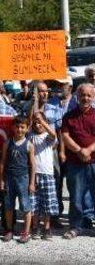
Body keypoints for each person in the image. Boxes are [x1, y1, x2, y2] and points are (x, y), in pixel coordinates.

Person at [60, 83, 95, 240]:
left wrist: (88, 150)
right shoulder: (69, 116)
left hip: (94, 161)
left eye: (88, 95)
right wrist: (79, 150)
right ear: (77, 96)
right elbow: (65, 137)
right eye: (83, 95)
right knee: (76, 196)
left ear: (93, 97)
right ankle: (75, 227)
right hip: (75, 162)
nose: (85, 98)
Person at [0, 116, 35, 243]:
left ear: (27, 129)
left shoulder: (29, 145)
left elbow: (32, 165)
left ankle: (26, 232)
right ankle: (9, 229)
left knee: (25, 206)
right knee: (8, 206)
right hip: (9, 178)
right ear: (12, 127)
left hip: (23, 178)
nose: (19, 129)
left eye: (22, 127)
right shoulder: (8, 143)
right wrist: (2, 180)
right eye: (17, 126)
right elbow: (3, 162)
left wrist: (31, 183)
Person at [28, 112, 59, 240]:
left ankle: (46, 228)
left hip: (47, 173)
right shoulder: (30, 136)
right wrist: (33, 119)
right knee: (34, 202)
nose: (37, 124)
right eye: (35, 122)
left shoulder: (47, 136)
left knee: (48, 202)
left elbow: (54, 135)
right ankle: (35, 227)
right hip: (33, 174)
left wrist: (42, 121)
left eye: (40, 121)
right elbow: (27, 128)